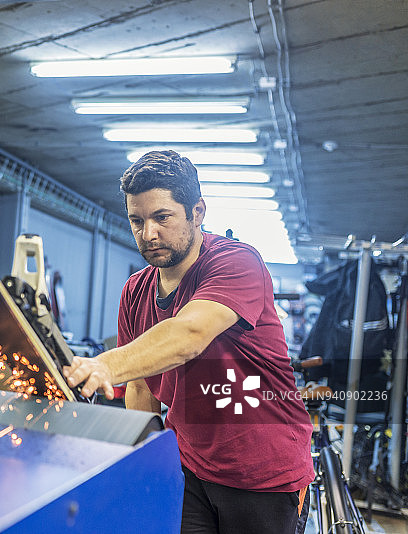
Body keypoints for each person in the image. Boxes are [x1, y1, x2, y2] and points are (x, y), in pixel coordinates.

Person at [63, 150, 313, 534]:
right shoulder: (136, 291)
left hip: (263, 471)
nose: (149, 234)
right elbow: (141, 389)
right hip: (188, 466)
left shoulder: (237, 263)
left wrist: (103, 365)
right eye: (137, 221)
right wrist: (139, 459)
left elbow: (189, 334)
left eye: (162, 217)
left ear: (197, 212)